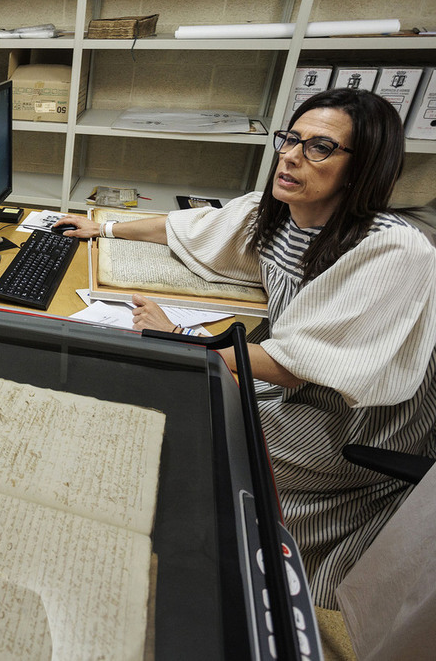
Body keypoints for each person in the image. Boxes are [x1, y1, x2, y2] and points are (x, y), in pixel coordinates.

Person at [55, 87, 436, 610]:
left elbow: (292, 367)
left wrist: (183, 342)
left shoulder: (393, 248)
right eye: (291, 139)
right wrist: (103, 226)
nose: (292, 156)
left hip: (354, 421)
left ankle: (171, 576)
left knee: (179, 434)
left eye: (319, 147)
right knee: (170, 400)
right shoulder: (283, 215)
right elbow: (190, 227)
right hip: (295, 385)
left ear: (363, 166)